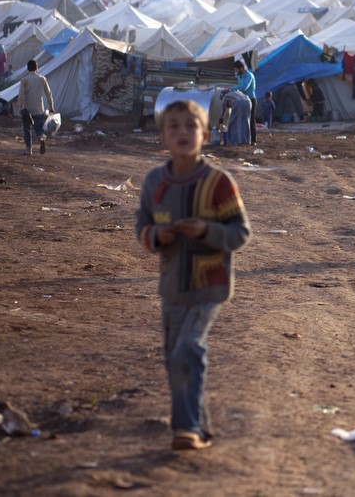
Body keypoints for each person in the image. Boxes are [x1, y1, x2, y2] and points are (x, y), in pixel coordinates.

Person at [134, 100, 251, 452]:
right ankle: (199, 426)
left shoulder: (218, 183)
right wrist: (158, 236)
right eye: (173, 126)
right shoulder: (155, 182)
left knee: (188, 348)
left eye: (190, 125)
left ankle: (185, 430)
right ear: (163, 137)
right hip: (172, 287)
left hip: (209, 286)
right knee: (174, 357)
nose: (182, 132)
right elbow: (142, 227)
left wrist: (205, 231)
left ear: (206, 135)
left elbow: (240, 233)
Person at [18, 59, 55, 156]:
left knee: (27, 129)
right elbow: (49, 94)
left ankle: (28, 149)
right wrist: (51, 107)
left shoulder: (24, 80)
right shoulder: (42, 79)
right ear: (37, 68)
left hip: (27, 109)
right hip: (39, 109)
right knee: (39, 127)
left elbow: (21, 95)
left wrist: (20, 107)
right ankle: (41, 138)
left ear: (27, 68)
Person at [232, 60, 257, 144]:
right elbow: (239, 86)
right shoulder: (239, 76)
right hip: (243, 100)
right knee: (243, 120)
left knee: (251, 120)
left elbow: (243, 87)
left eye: (236, 69)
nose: (236, 72)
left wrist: (232, 88)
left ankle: (253, 140)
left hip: (251, 99)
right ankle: (244, 139)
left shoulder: (249, 76)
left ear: (241, 68)